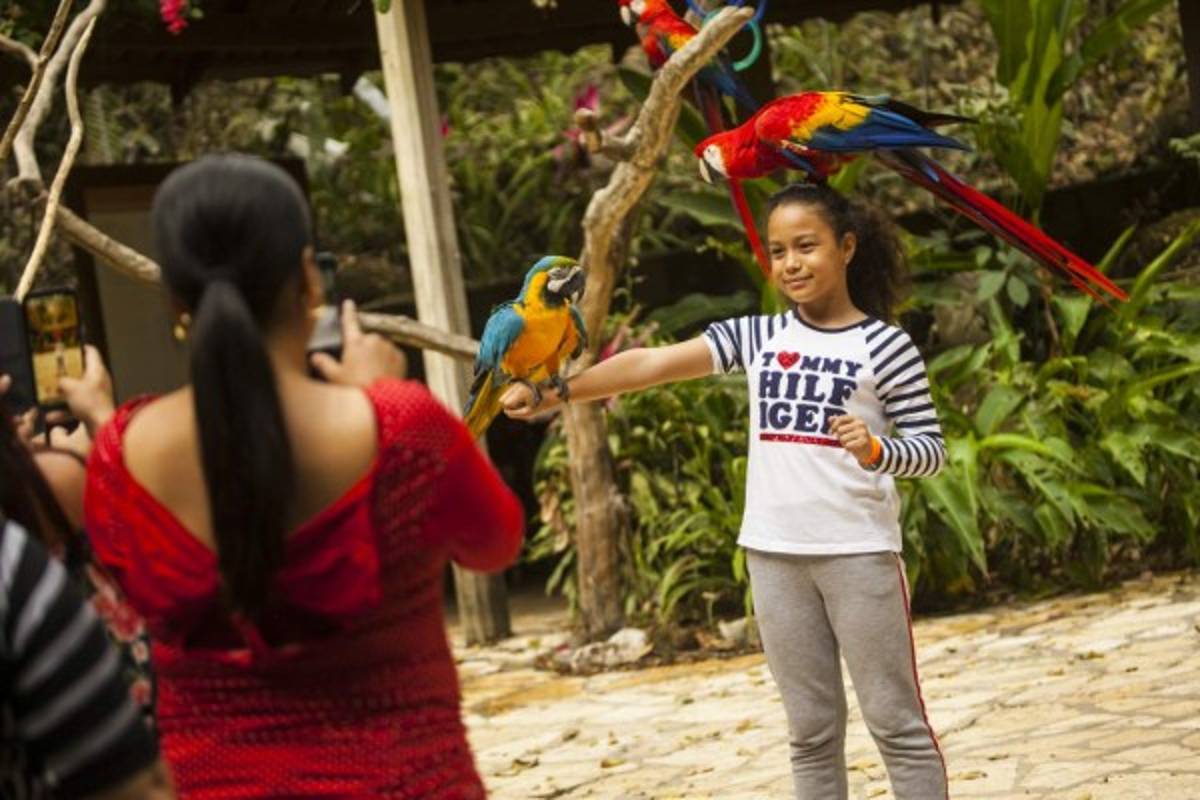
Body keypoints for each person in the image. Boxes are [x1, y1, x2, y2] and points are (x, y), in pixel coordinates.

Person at [78, 154, 524, 798]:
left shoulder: (119, 455)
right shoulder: (403, 428)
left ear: (174, 297)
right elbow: (496, 543)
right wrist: (382, 395)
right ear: (309, 281)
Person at [505, 182, 949, 800]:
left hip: (858, 556)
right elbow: (650, 364)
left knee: (896, 725)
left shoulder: (885, 345)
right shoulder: (759, 336)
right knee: (811, 734)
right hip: (773, 558)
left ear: (846, 248)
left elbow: (931, 450)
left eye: (807, 246)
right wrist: (552, 393)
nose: (791, 263)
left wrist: (878, 451)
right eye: (778, 251)